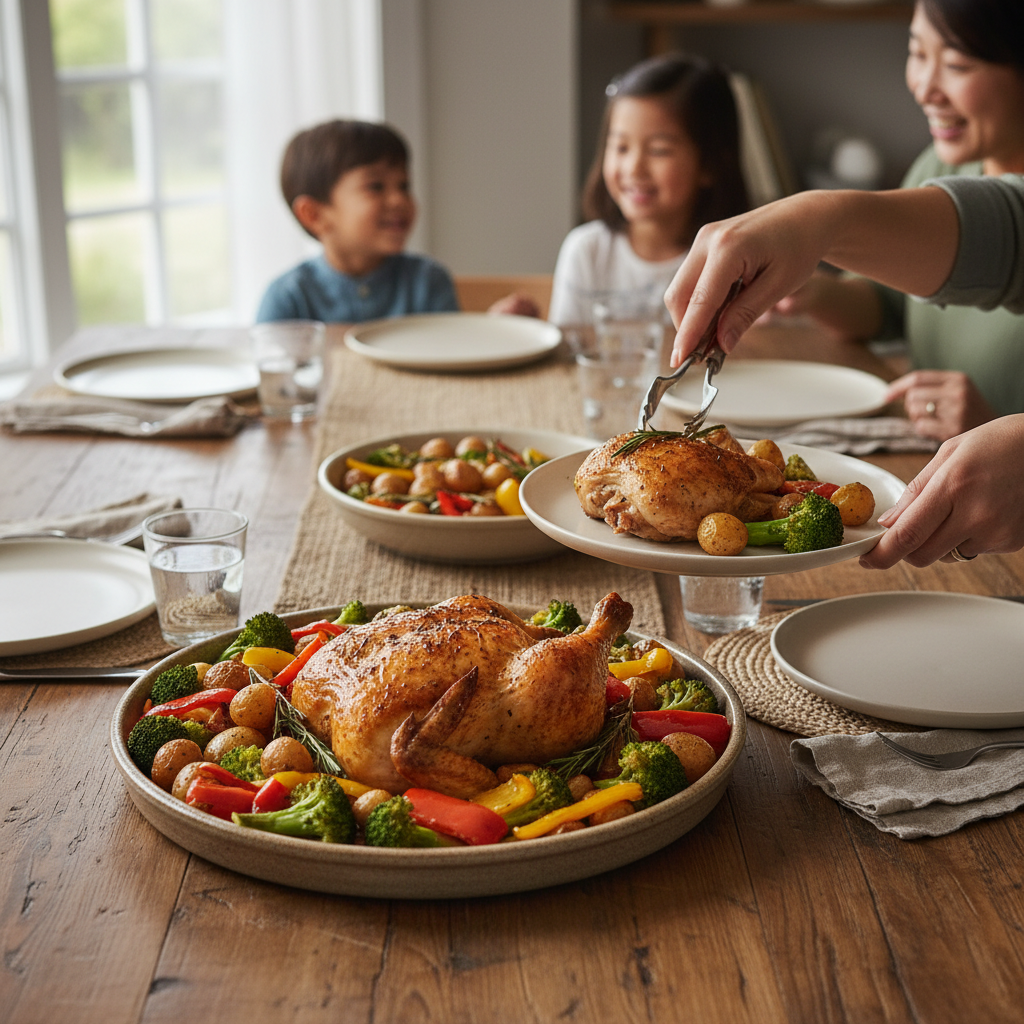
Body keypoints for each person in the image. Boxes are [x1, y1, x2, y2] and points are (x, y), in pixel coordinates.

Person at [663, 175, 1024, 572]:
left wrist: (819, 221)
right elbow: (894, 305)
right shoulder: (936, 163)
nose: (925, 106)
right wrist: (816, 232)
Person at [765, 0, 1024, 443]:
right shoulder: (937, 171)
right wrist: (812, 290)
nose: (925, 88)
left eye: (958, 65)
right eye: (918, 53)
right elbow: (886, 306)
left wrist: (999, 432)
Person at [256, 120, 536, 323]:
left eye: (404, 186)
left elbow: (452, 359)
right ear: (314, 215)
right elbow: (274, 383)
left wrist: (495, 329)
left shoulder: (428, 281)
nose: (399, 200)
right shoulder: (288, 297)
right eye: (376, 186)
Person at [547, 52, 748, 327]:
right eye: (621, 147)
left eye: (658, 150)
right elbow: (568, 354)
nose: (633, 168)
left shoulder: (736, 260)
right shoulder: (587, 252)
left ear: (710, 165)